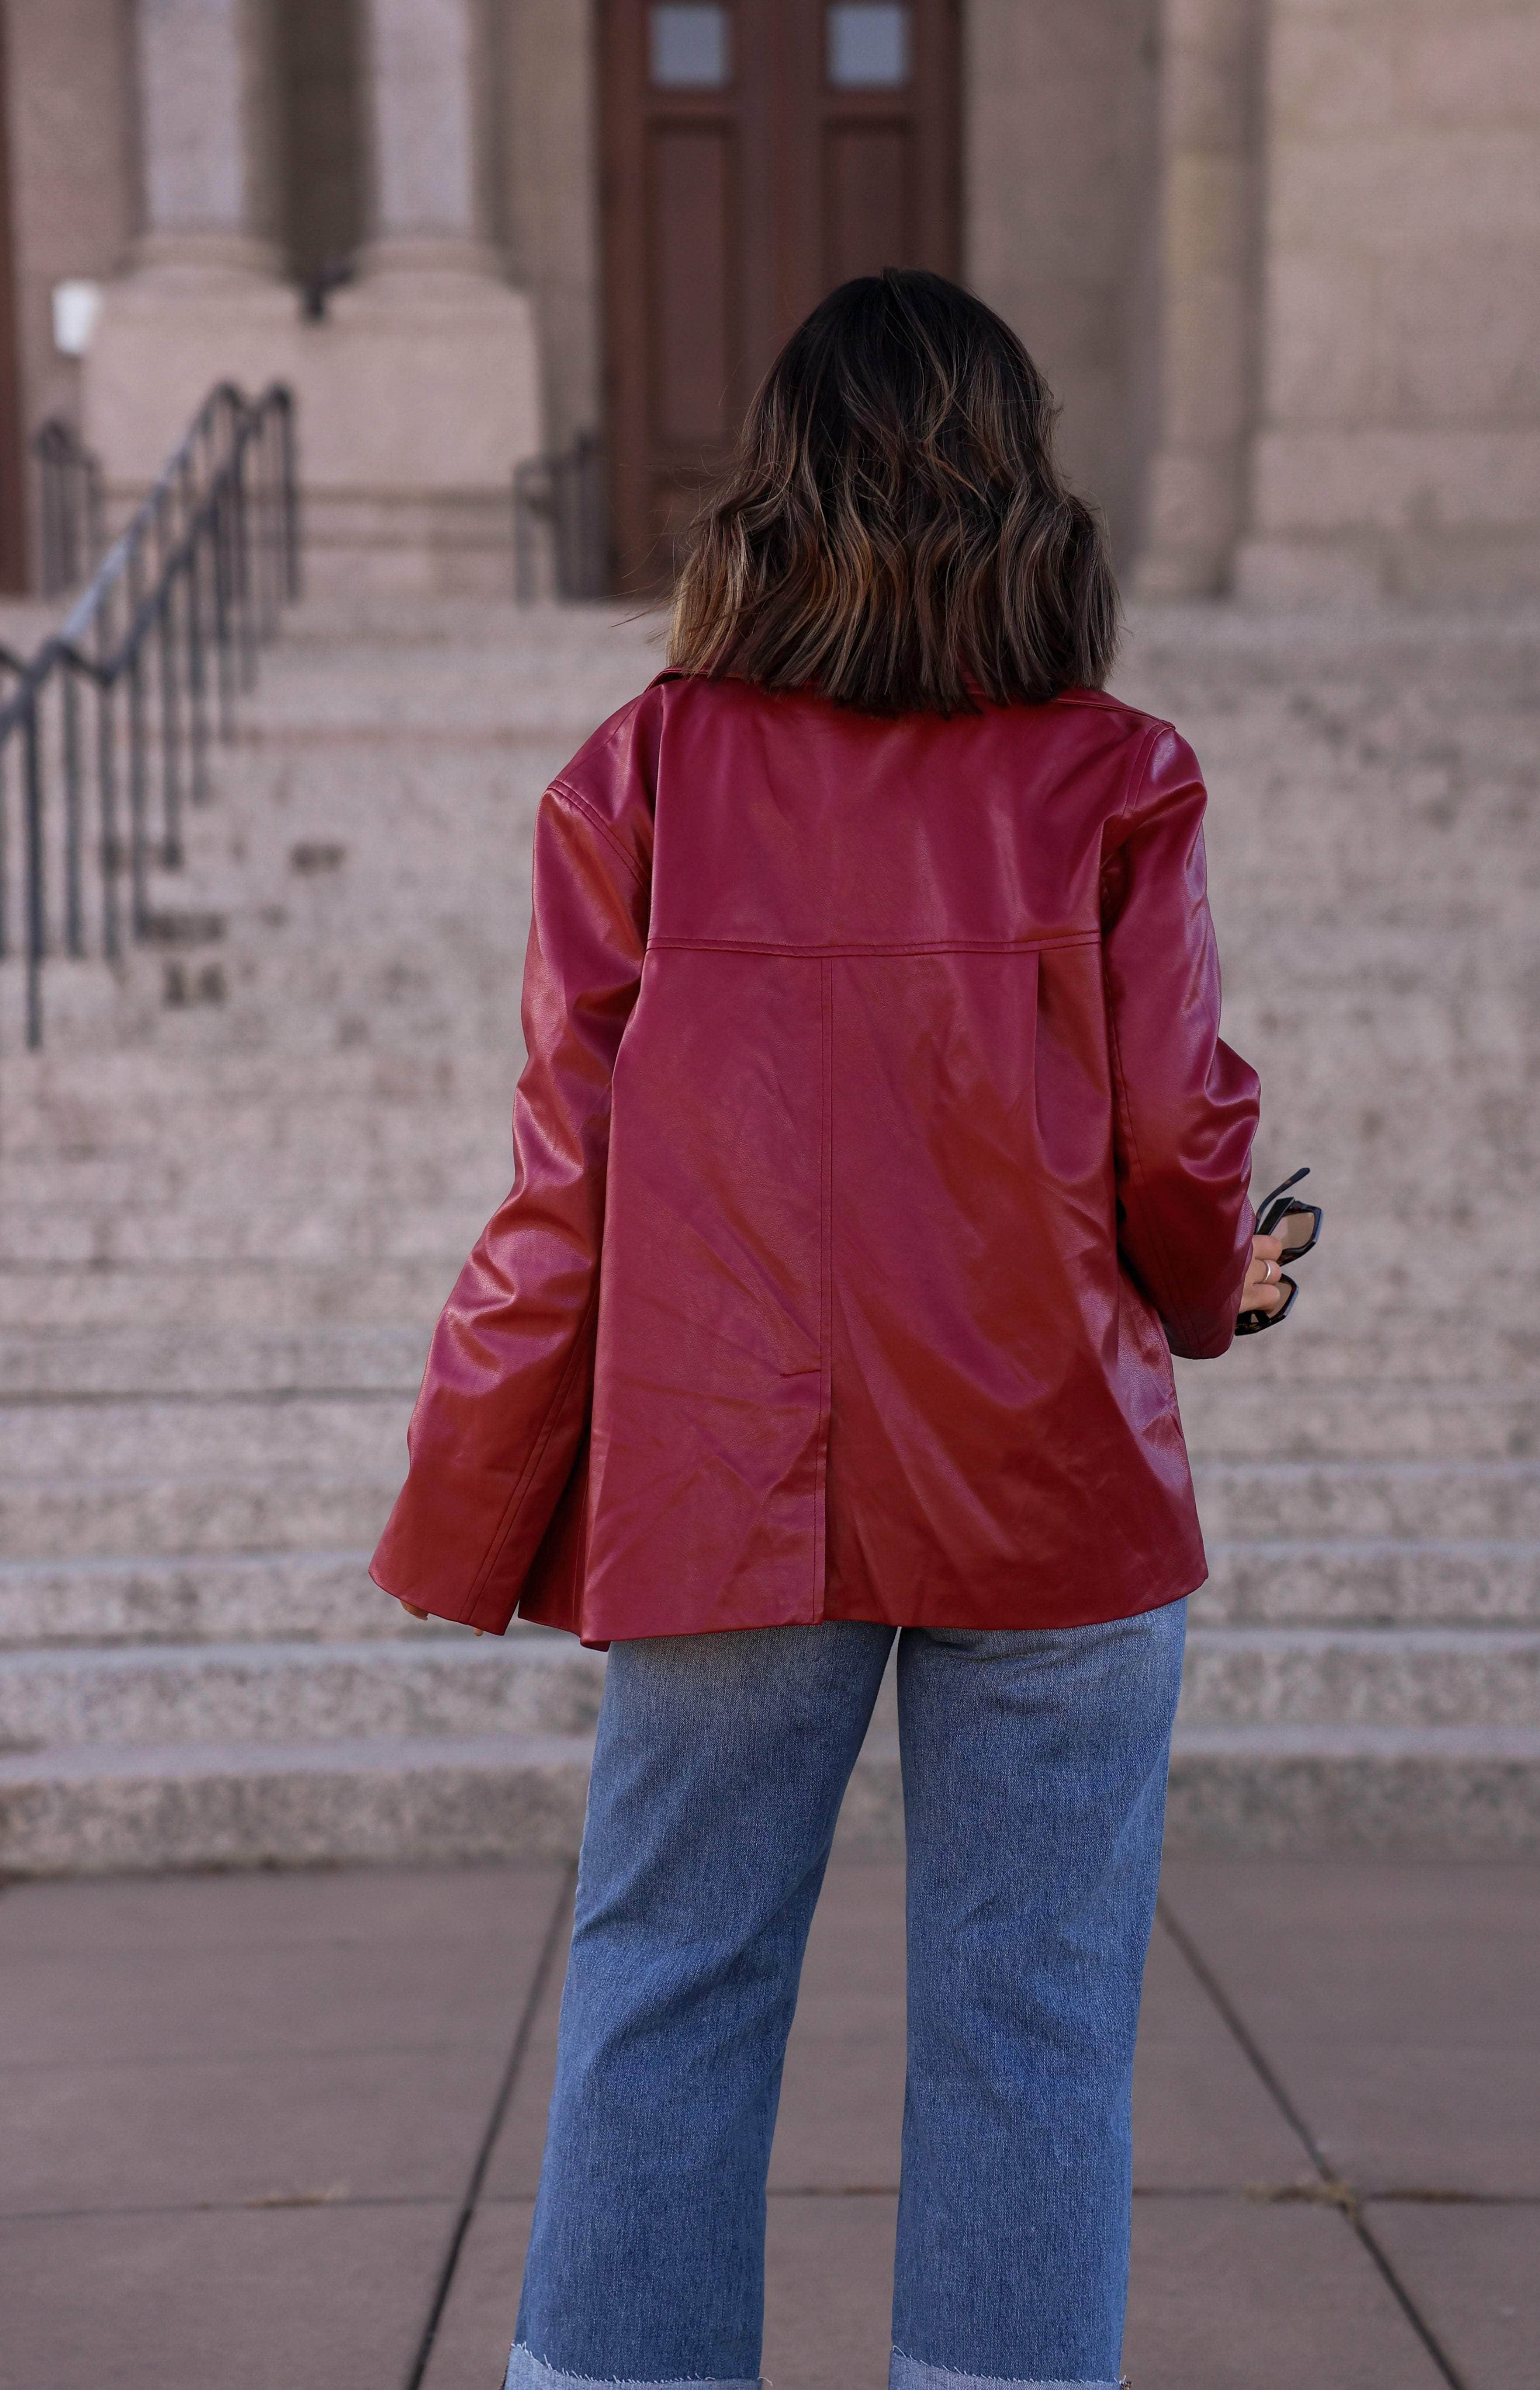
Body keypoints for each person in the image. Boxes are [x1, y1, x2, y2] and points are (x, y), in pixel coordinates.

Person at [371, 268, 1284, 2390]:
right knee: (1034, 2016)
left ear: (770, 497)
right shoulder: (1116, 773)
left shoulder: (647, 770)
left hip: (727, 1471)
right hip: (1051, 1471)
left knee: (670, 1976)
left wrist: (475, 1477)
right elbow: (1176, 1155)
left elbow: (566, 1176)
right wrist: (1234, 1261)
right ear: (1022, 490)